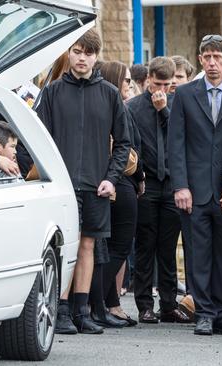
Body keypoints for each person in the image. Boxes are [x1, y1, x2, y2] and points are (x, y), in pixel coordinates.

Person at [37, 29, 131, 335]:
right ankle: (60, 310)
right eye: (77, 51)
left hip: (96, 184)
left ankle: (81, 311)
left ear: (95, 56)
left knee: (88, 245)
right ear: (70, 53)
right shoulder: (51, 93)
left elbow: (123, 144)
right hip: (62, 186)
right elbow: (39, 141)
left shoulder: (110, 94)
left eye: (88, 53)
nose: (82, 58)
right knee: (66, 246)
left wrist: (111, 179)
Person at [169, 34, 222, 336]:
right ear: (200, 59)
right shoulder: (185, 94)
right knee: (197, 253)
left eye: (218, 57)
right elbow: (175, 143)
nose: (213, 62)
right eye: (207, 57)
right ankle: (203, 312)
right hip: (194, 188)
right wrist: (181, 185)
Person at [126, 57, 189, 325]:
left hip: (172, 182)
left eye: (168, 84)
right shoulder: (133, 107)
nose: (162, 89)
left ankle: (168, 303)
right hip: (147, 181)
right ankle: (144, 304)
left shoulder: (177, 104)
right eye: (157, 83)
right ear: (148, 79)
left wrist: (163, 110)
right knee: (145, 244)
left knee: (167, 247)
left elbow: (180, 138)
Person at [88, 61, 143, 329]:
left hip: (111, 182)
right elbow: (130, 147)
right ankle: (92, 299)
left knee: (105, 250)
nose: (130, 85)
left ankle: (107, 305)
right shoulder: (118, 108)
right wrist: (140, 176)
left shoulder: (107, 105)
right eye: (126, 80)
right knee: (119, 246)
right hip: (119, 183)